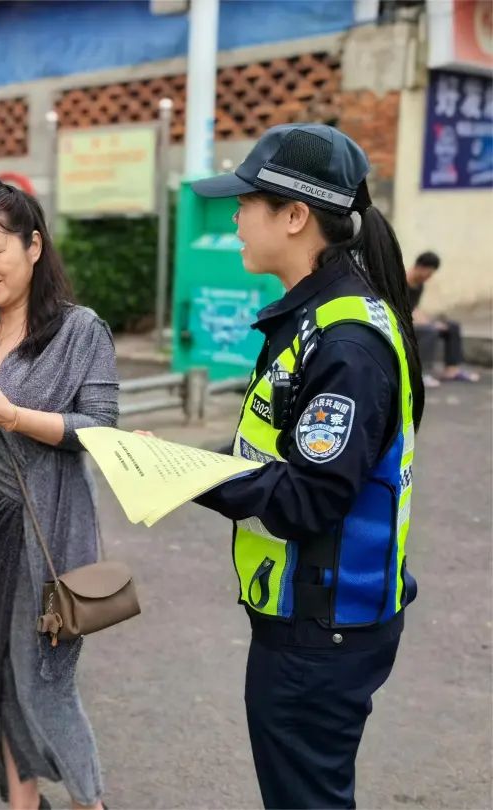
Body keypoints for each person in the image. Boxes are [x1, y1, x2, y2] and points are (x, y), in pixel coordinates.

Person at [189, 124, 423, 809]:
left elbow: (310, 497)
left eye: (247, 200)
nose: (234, 215)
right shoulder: (317, 319)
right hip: (317, 623)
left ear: (295, 217)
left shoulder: (346, 341)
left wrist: (189, 474)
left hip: (321, 634)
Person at [0, 179, 118, 810]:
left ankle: (89, 802)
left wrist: (12, 415)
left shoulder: (80, 330)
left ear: (34, 245)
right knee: (0, 676)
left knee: (47, 683)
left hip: (55, 532)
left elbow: (101, 430)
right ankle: (21, 803)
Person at [406, 251, 480, 386]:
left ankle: (452, 370)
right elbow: (401, 310)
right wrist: (429, 325)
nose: (429, 277)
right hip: (400, 324)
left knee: (452, 327)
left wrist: (430, 322)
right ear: (420, 267)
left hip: (412, 322)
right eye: (428, 273)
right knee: (429, 331)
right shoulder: (400, 281)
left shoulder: (419, 285)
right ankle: (421, 374)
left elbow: (414, 308)